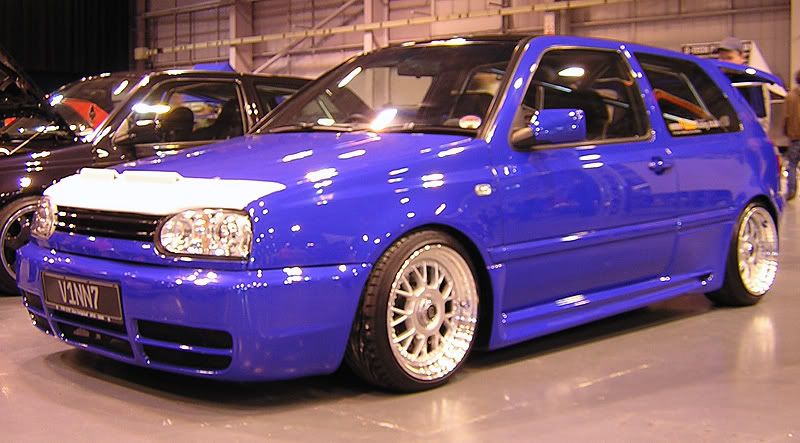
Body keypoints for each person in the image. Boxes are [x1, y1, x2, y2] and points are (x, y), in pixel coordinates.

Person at [785, 70, 800, 201]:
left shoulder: (790, 97)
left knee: (792, 165)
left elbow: (786, 117)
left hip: (795, 137)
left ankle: (791, 190)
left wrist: (786, 132)